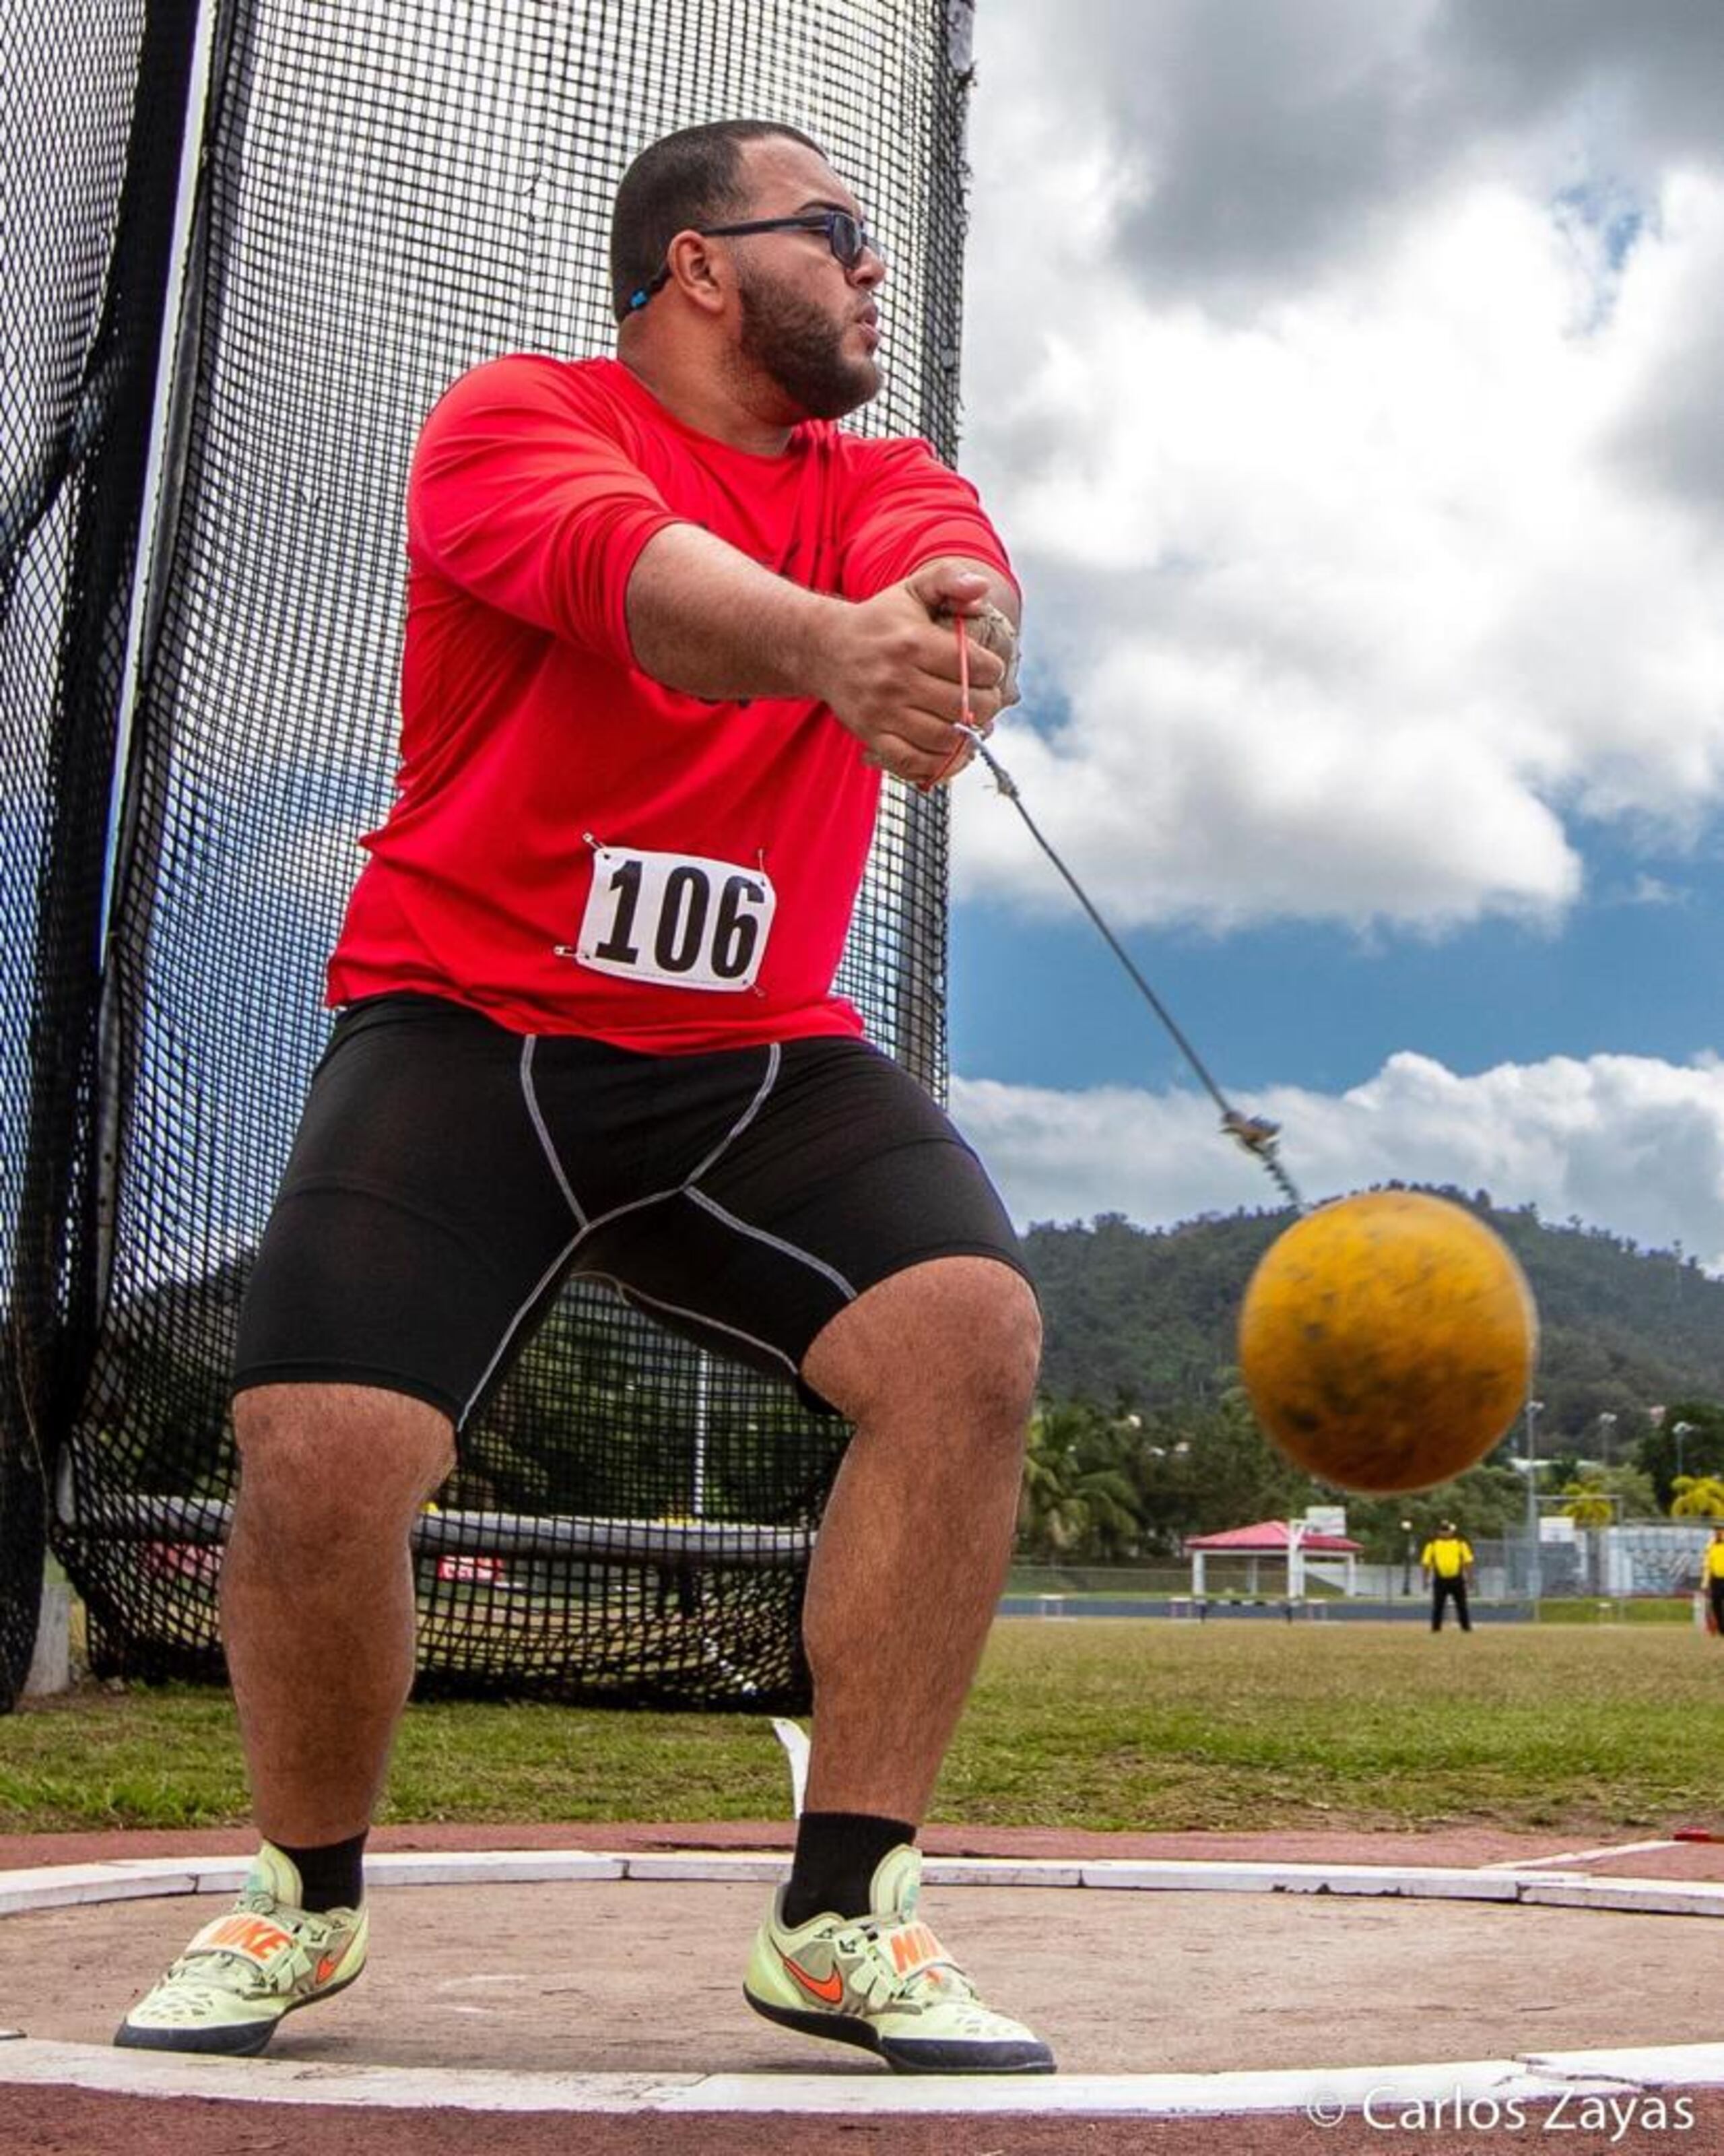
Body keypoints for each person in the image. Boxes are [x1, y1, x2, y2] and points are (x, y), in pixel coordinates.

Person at [114, 119, 1052, 2077]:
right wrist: (833, 650)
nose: (874, 272)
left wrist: (953, 630)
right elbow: (639, 583)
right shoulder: (514, 417)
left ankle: (842, 1906)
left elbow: (941, 562)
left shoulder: (876, 470)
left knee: (967, 1330)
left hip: (750, 1058)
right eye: (838, 234)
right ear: (702, 263)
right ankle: (302, 1894)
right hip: (472, 1032)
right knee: (318, 1445)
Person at [1420, 1521, 1475, 1633]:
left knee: (1462, 1605)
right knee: (1438, 1605)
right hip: (1440, 1579)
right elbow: (1426, 1563)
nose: (1445, 1533)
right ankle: (1436, 1628)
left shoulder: (1460, 1544)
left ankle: (1466, 1628)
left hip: (1457, 1579)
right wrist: (1425, 1579)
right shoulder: (1432, 1545)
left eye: (1447, 1531)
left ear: (1452, 1532)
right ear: (1439, 1532)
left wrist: (1470, 1578)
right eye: (1443, 1531)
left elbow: (1468, 1562)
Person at [1699, 1524, 1724, 1637]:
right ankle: (1721, 1628)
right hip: (1716, 1579)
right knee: (1716, 1604)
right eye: (1717, 1531)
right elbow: (1707, 1565)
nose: (1719, 1533)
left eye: (1721, 1530)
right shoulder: (1710, 1546)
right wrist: (1705, 1583)